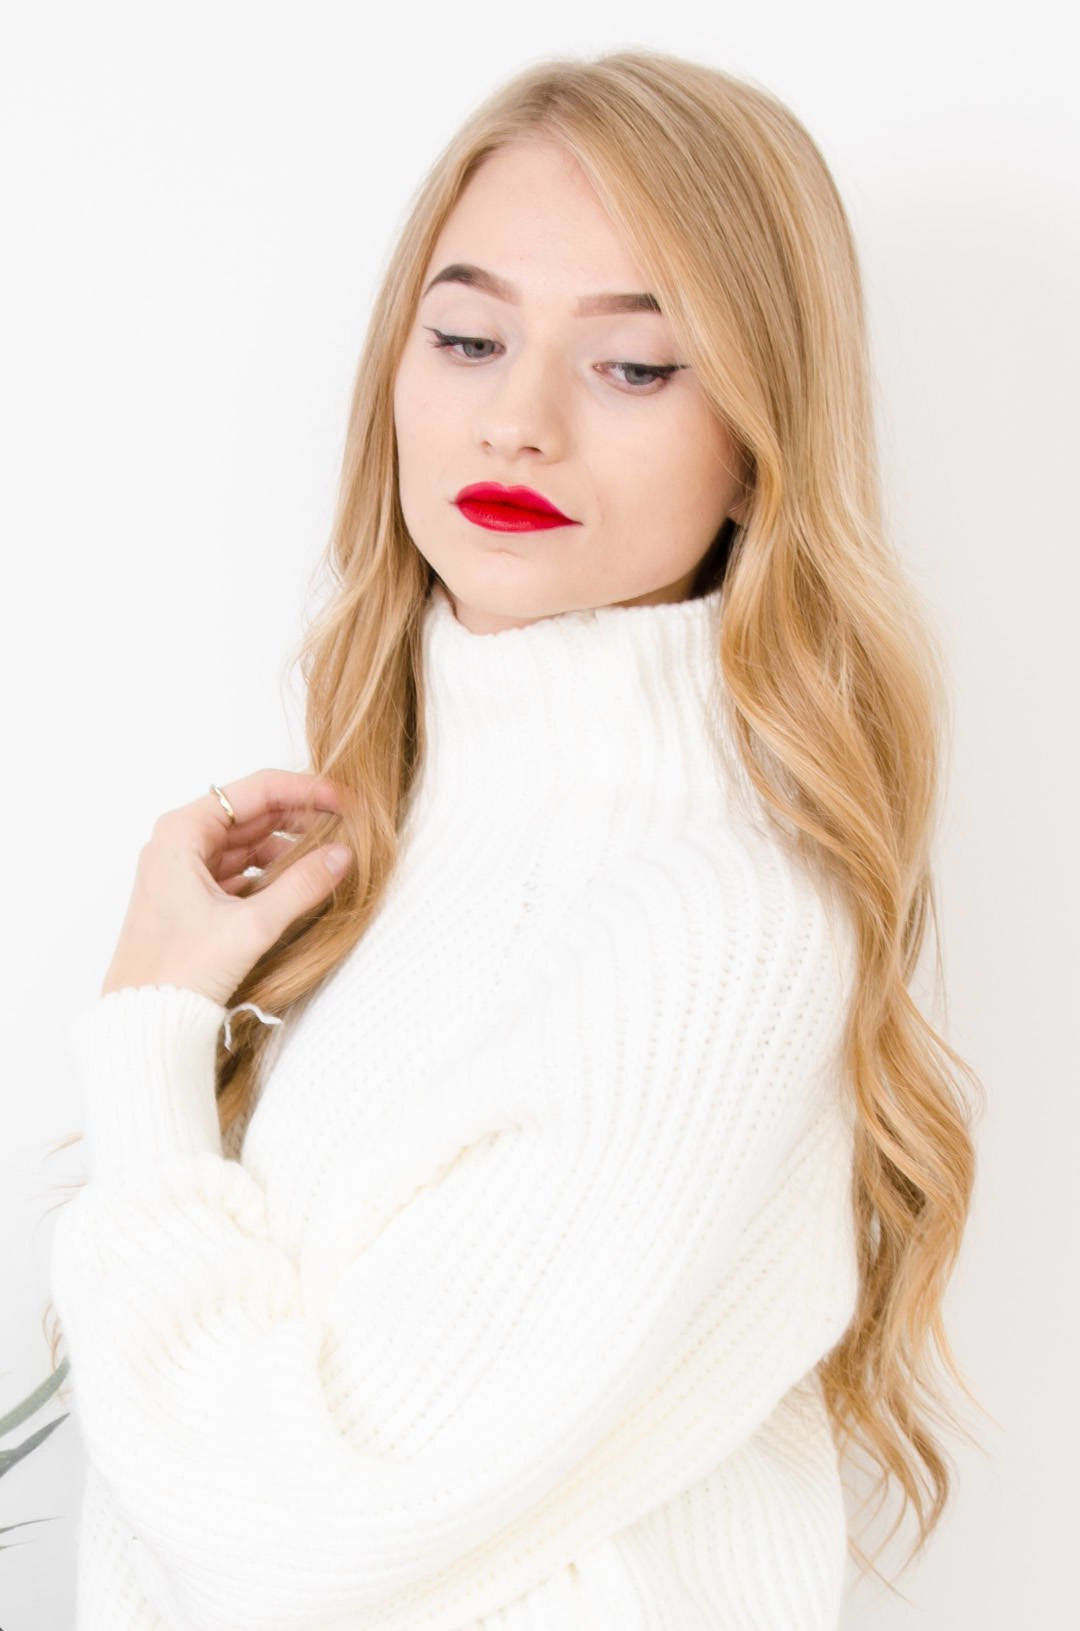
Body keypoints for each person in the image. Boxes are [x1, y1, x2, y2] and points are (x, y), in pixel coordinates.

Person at [46, 47, 982, 1631]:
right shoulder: (386, 858)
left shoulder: (718, 933)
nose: (519, 423)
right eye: (469, 339)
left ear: (761, 439)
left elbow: (294, 1539)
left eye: (637, 365)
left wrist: (149, 1042)